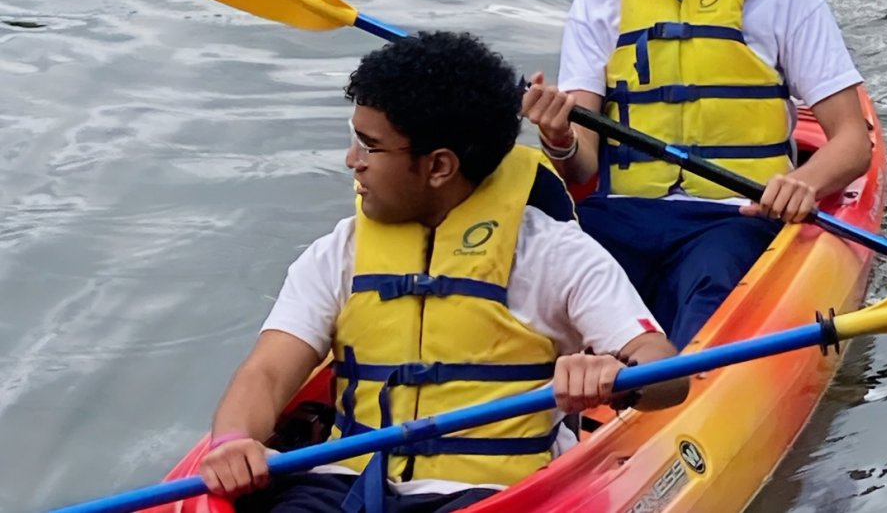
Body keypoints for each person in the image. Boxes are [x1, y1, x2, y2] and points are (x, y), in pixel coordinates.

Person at [199, 31, 688, 513]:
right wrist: (233, 439)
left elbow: (667, 373)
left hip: (498, 495)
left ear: (438, 167)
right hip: (344, 485)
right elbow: (265, 372)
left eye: (369, 146)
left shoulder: (555, 254)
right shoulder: (338, 253)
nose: (352, 161)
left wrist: (621, 375)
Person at [522, 0, 872, 348]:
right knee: (541, 286)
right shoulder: (598, 2)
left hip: (735, 218)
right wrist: (560, 138)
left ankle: (675, 404)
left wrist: (801, 184)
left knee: (707, 291)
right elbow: (581, 164)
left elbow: (852, 143)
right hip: (619, 217)